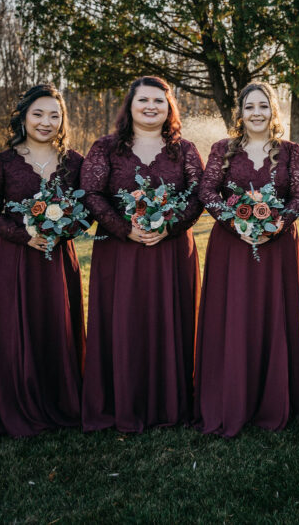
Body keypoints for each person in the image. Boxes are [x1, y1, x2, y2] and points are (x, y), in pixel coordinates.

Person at [81, 76, 203, 432]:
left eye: (159, 101)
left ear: (170, 108)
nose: (151, 107)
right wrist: (123, 228)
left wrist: (170, 226)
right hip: (120, 252)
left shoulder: (185, 149)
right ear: (130, 106)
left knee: (171, 320)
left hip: (171, 251)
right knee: (123, 322)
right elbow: (91, 192)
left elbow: (199, 195)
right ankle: (121, 400)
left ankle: (171, 402)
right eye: (143, 101)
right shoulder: (105, 148)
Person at [0, 84, 85, 438]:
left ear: (62, 121)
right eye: (38, 114)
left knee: (55, 326)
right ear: (24, 117)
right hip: (13, 260)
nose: (46, 122)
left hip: (57, 259)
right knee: (13, 330)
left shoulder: (74, 162)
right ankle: (13, 402)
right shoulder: (3, 162)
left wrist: (65, 229)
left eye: (54, 115)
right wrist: (25, 236)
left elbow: (86, 209)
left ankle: (58, 399)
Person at [194, 82, 299, 436]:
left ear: (274, 110)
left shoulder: (291, 151)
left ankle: (275, 397)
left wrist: (276, 224)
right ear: (240, 113)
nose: (256, 113)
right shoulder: (222, 149)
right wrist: (233, 222)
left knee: (272, 314)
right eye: (249, 107)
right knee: (233, 315)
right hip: (232, 247)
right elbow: (207, 190)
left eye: (263, 106)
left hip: (277, 248)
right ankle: (230, 396)